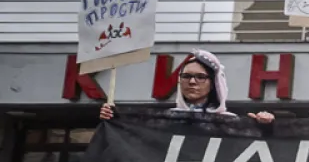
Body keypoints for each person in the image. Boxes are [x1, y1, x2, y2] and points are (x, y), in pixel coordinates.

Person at [99, 49, 273, 124]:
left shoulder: (231, 122)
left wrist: (265, 126)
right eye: (186, 76)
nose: (192, 82)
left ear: (214, 84)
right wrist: (114, 118)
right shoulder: (163, 120)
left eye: (200, 77)